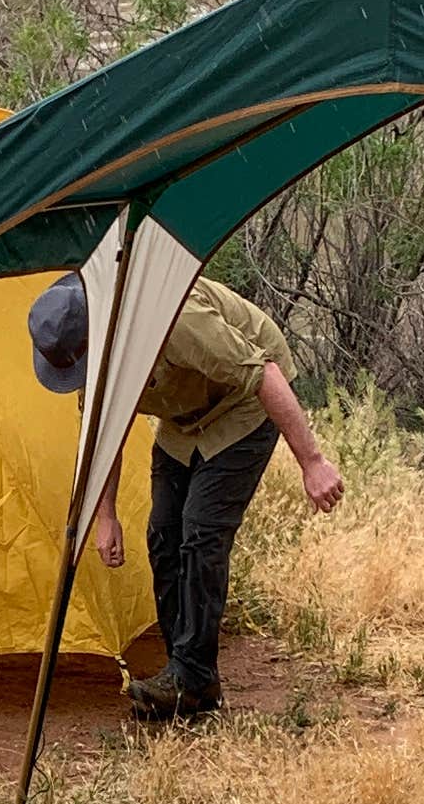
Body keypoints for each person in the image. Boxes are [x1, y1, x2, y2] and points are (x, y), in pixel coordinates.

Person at [26, 266, 344, 723]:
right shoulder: (96, 360)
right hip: (181, 420)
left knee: (201, 532)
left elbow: (263, 374)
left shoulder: (177, 319)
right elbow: (105, 435)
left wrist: (312, 462)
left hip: (243, 406)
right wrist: (106, 513)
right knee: (163, 533)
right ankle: (187, 673)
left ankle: (190, 677)